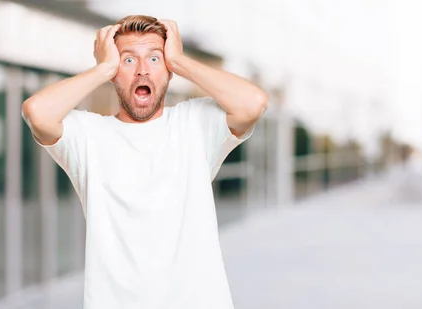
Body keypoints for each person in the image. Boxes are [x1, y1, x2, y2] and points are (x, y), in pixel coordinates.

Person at [21, 15, 267, 309]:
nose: (142, 71)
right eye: (127, 61)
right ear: (114, 72)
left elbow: (253, 103)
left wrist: (179, 60)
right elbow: (36, 113)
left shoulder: (194, 124)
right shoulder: (88, 135)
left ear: (169, 71)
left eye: (154, 59)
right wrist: (102, 69)